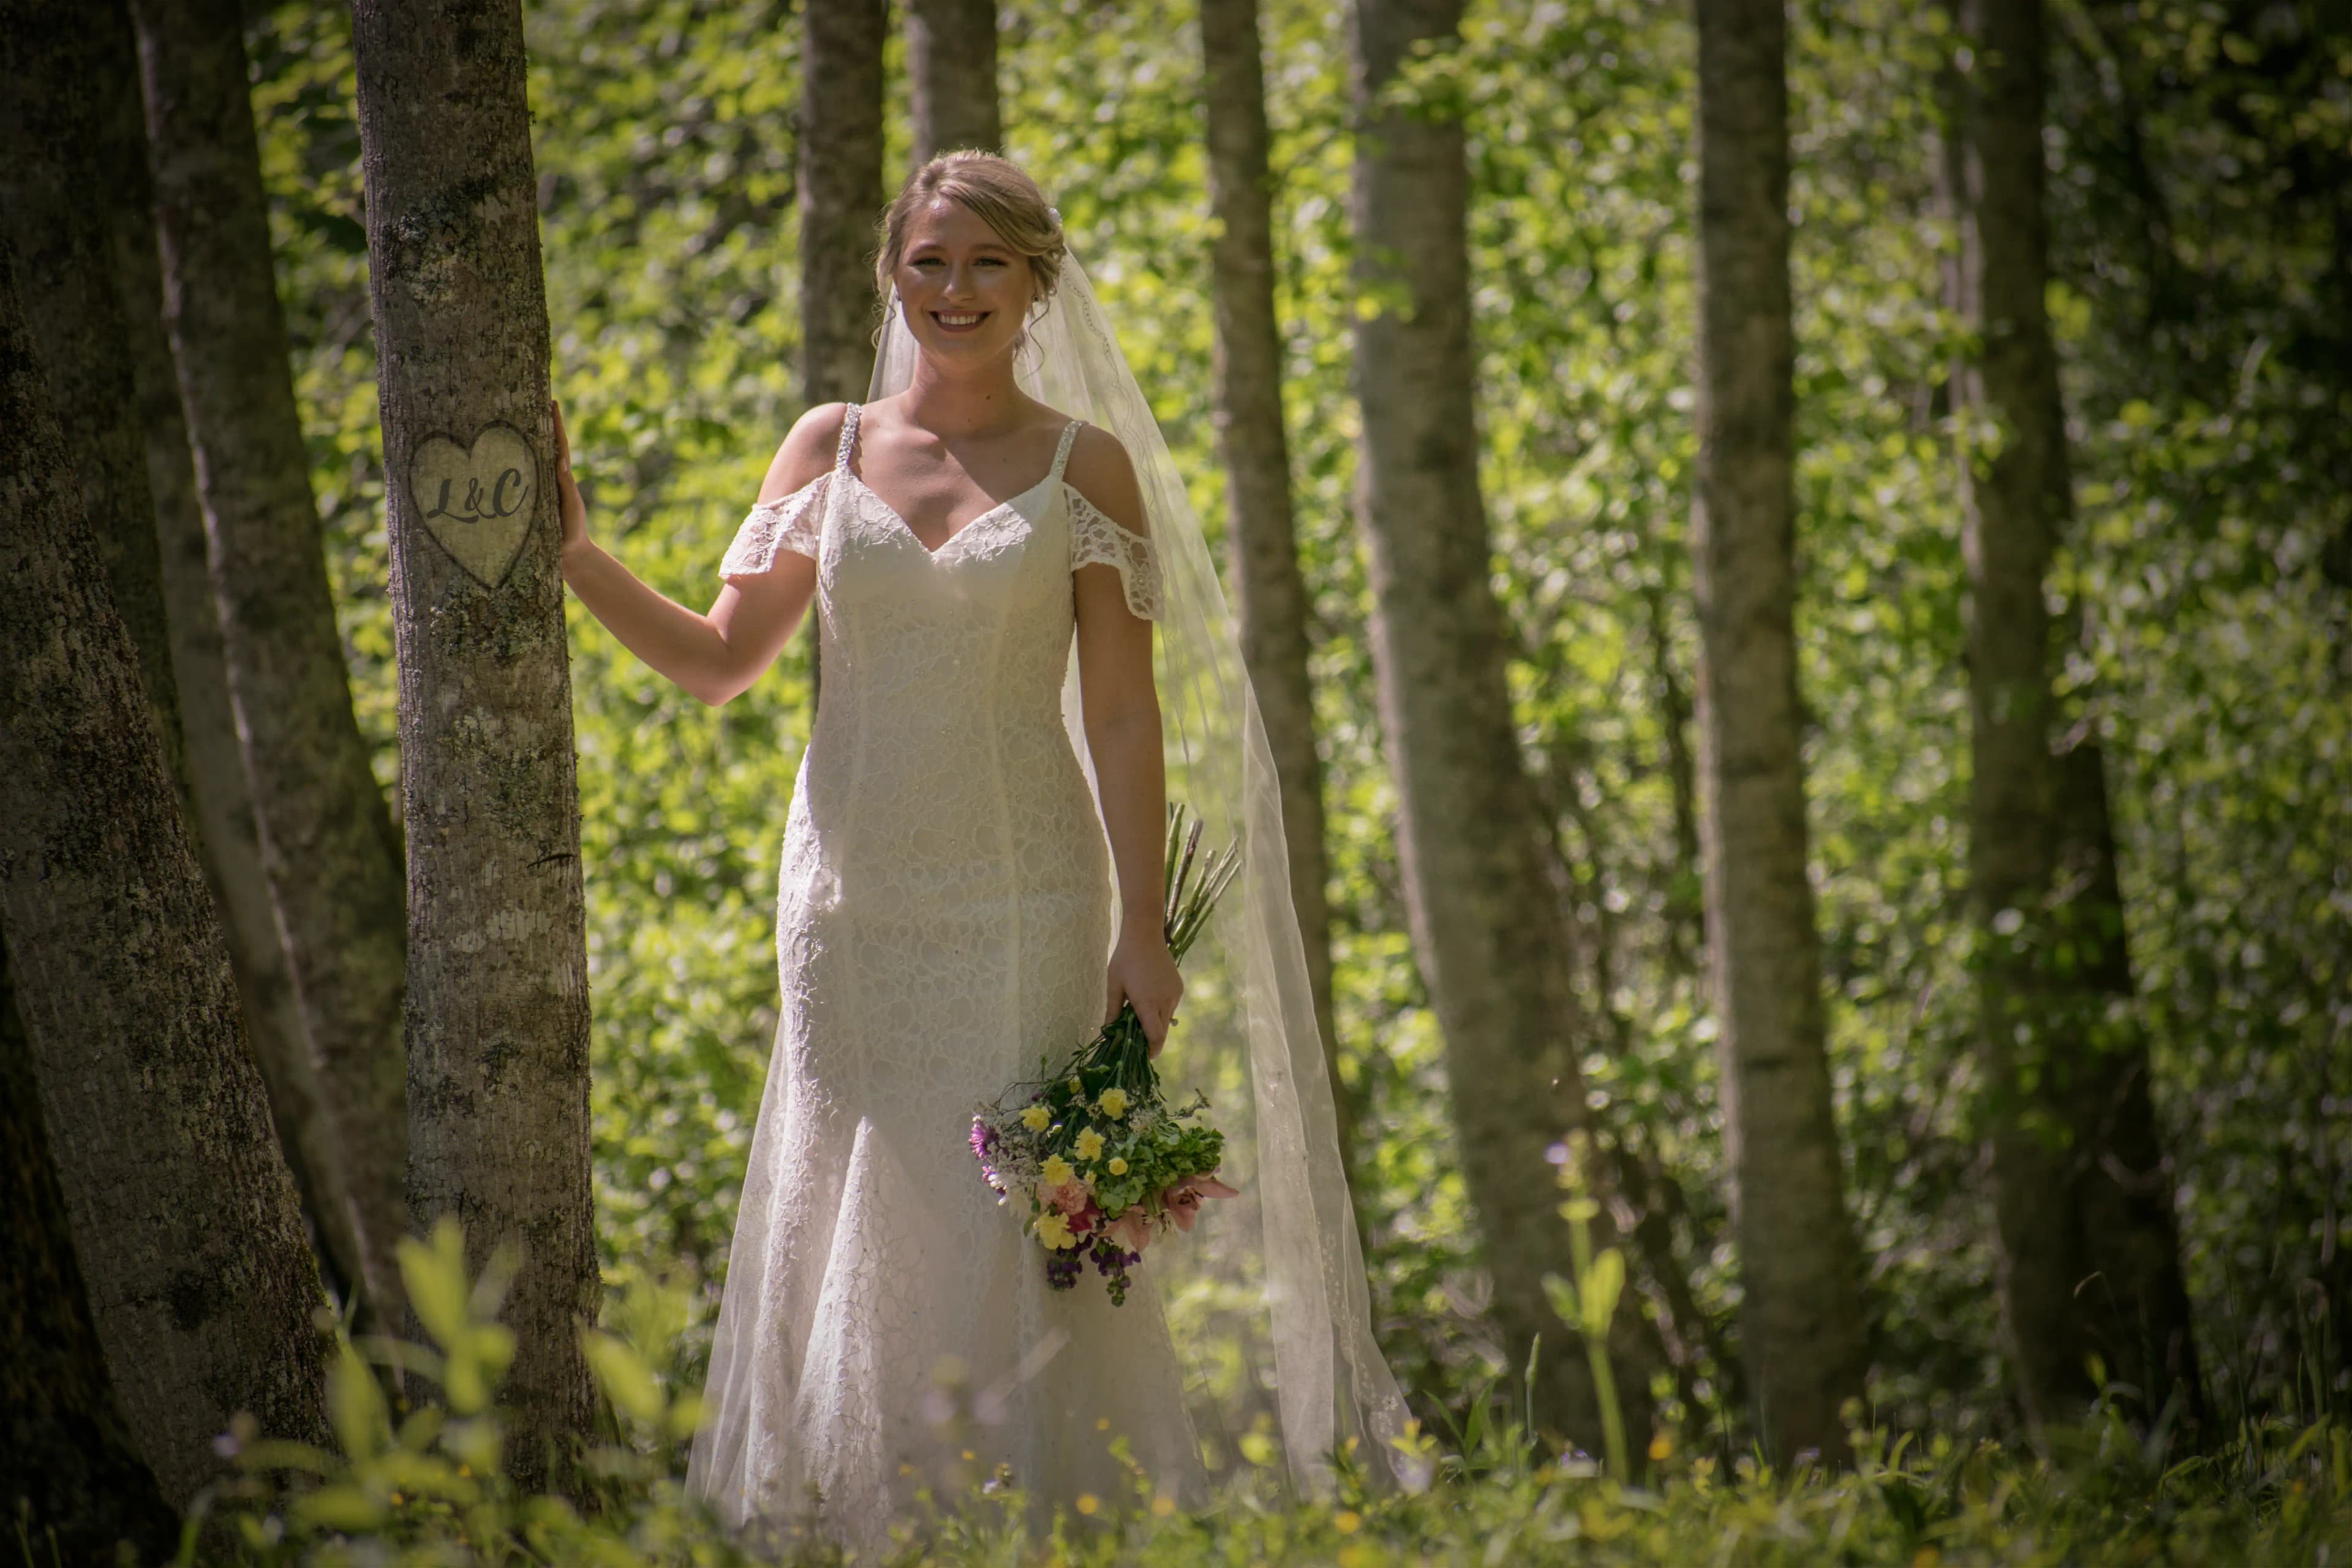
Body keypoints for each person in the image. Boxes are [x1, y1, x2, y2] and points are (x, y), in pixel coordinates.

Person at [555, 152, 1415, 1548]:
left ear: (1035, 285)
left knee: (1010, 1211)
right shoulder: (825, 445)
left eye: (988, 265)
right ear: (893, 275)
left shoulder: (1087, 464)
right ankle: (856, 1523)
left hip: (1029, 899)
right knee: (862, 1196)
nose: (956, 291)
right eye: (930, 262)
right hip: (849, 899)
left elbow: (1125, 713)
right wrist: (578, 555)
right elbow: (722, 664)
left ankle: (1041, 1526)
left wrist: (1145, 926)